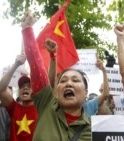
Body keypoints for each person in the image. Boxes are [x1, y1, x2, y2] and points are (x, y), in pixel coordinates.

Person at [21, 11, 91, 140]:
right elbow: (37, 68)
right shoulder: (47, 103)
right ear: (57, 91)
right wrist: (27, 30)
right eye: (63, 81)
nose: (68, 83)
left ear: (86, 92)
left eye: (75, 80)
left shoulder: (94, 130)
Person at [0, 54, 37, 141]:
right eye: (21, 86)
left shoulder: (42, 110)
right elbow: (0, 89)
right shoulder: (14, 108)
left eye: (29, 86)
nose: (25, 88)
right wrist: (16, 65)